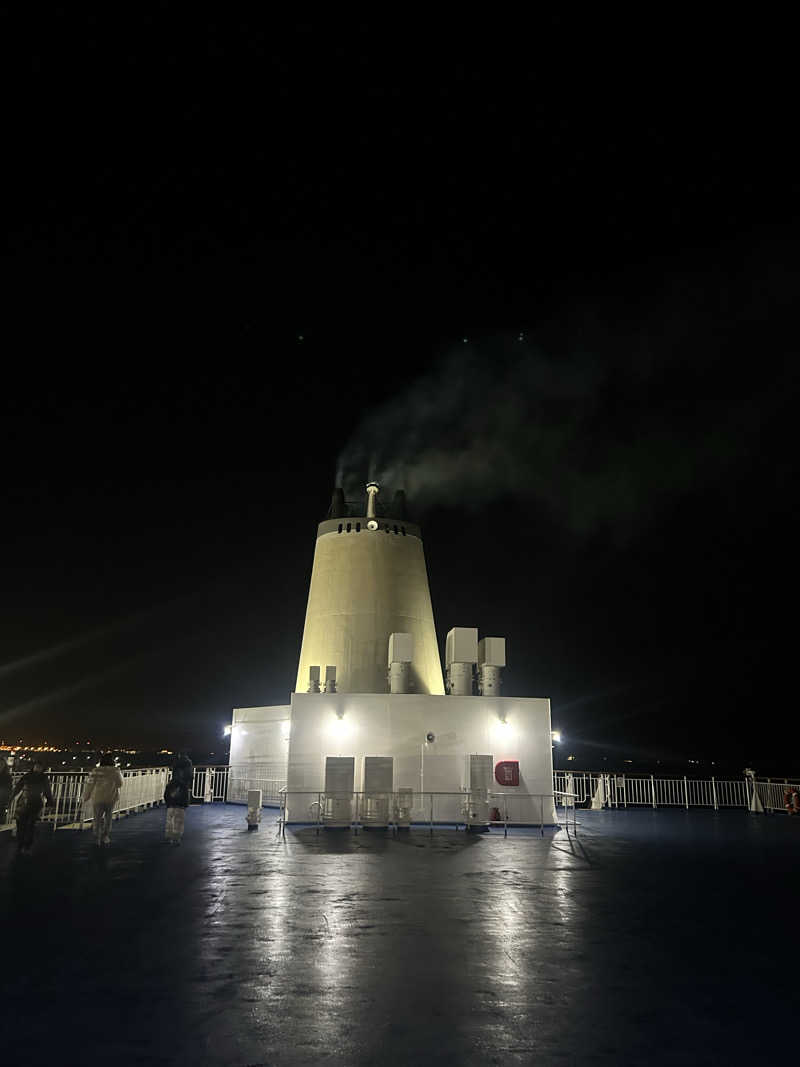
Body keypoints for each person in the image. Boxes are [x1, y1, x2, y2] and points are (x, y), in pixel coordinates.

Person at [11, 760, 54, 855]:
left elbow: (47, 791)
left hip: (31, 803)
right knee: (22, 824)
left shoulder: (36, 777)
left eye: (39, 766)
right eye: (37, 766)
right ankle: (22, 844)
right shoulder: (38, 777)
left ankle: (25, 845)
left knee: (29, 825)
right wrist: (11, 797)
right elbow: (18, 787)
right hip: (27, 802)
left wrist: (50, 802)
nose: (37, 768)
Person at [82, 754, 124, 846]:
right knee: (108, 818)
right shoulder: (115, 771)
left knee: (97, 817)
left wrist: (86, 796)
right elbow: (120, 784)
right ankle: (105, 836)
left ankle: (97, 836)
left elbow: (90, 784)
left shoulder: (96, 771)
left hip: (98, 797)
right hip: (110, 797)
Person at [164, 770, 190, 844]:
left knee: (169, 821)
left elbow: (166, 795)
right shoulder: (184, 785)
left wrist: (168, 804)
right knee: (179, 822)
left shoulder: (169, 784)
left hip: (171, 805)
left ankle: (169, 837)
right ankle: (177, 838)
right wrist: (185, 805)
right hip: (180, 806)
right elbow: (185, 797)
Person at [0, 756, 12, 825]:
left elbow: (9, 789)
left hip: (2, 801)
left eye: (1, 764)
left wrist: (7, 801)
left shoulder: (7, 777)